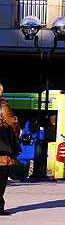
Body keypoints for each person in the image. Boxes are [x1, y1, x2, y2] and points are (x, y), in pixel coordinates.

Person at [0, 82, 20, 216]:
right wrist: (16, 133)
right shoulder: (2, 105)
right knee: (1, 180)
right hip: (2, 152)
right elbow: (13, 122)